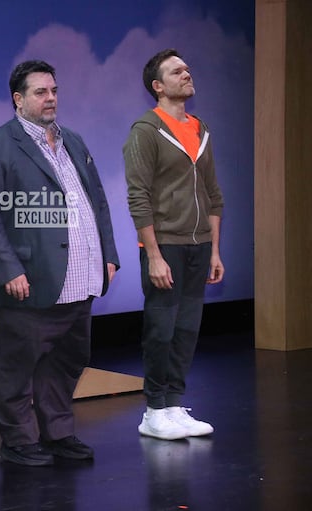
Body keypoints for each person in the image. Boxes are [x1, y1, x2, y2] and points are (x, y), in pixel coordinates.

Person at [0, 60, 119, 466]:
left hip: (80, 277)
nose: (50, 98)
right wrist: (8, 269)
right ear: (18, 99)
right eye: (40, 92)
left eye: (53, 90)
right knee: (17, 366)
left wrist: (108, 254)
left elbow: (97, 202)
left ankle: (58, 434)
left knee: (67, 362)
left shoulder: (74, 141)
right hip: (29, 280)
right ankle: (18, 441)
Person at [123, 48, 224, 441]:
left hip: (200, 246)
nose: (186, 73)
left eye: (186, 68)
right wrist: (153, 255)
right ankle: (153, 410)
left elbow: (213, 194)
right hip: (165, 246)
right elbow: (139, 196)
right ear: (158, 86)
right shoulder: (146, 131)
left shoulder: (200, 129)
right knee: (161, 329)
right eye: (176, 71)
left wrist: (214, 249)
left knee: (187, 328)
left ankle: (174, 404)